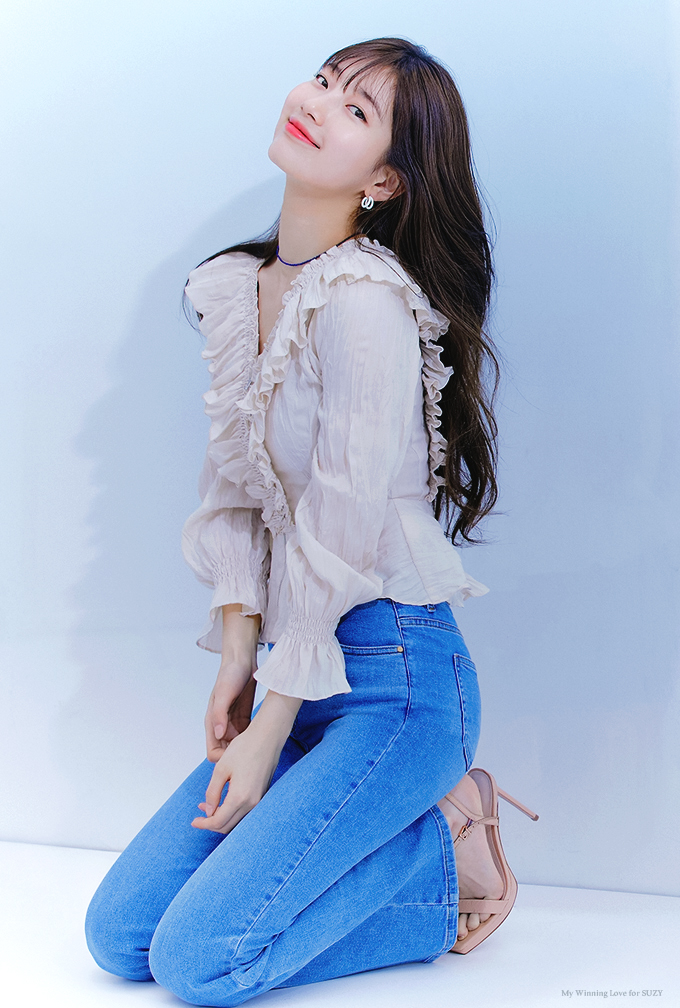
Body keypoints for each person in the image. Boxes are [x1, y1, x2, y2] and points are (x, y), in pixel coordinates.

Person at [85, 36, 538, 1007]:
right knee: (120, 938)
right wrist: (236, 661)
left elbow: (340, 529)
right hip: (296, 665)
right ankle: (392, 831)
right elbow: (235, 497)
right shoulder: (237, 287)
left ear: (384, 181)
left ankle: (445, 848)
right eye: (327, 80)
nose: (319, 102)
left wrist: (272, 725)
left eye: (357, 109)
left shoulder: (365, 300)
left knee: (201, 963)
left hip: (396, 682)